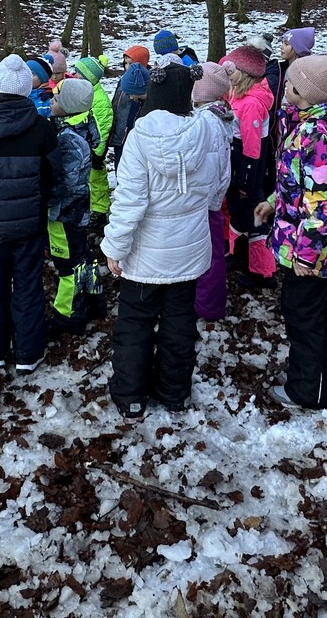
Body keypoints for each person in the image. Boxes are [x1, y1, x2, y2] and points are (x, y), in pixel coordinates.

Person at [103, 57, 231, 418]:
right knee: (179, 322)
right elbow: (217, 184)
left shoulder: (139, 137)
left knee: (135, 324)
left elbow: (130, 200)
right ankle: (174, 393)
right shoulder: (208, 130)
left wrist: (115, 246)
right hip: (189, 251)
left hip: (146, 256)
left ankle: (131, 396)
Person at [255, 55, 327, 411]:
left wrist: (306, 253)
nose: (284, 87)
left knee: (303, 315)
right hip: (302, 241)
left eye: (291, 83)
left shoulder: (316, 137)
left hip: (310, 249)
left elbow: (323, 202)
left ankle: (308, 390)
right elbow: (298, 184)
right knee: (315, 311)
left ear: (304, 91)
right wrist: (272, 202)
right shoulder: (302, 126)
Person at [0, 54, 63, 373]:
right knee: (27, 284)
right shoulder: (41, 128)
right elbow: (54, 172)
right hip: (29, 222)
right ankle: (27, 352)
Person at [46, 77, 103, 337]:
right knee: (83, 255)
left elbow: (64, 182)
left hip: (64, 212)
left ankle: (68, 314)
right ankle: (94, 297)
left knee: (67, 263)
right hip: (78, 209)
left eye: (56, 99)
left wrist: (46, 197)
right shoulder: (82, 126)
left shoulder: (69, 139)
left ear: (68, 106)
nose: (51, 101)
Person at [221, 44, 277, 289]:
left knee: (253, 213)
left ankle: (263, 270)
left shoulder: (252, 103)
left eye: (231, 70)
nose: (227, 74)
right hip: (238, 160)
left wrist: (246, 177)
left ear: (245, 74)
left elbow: (252, 147)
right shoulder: (239, 93)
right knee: (238, 210)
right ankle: (239, 254)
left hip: (247, 164)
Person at [190, 63, 238, 321]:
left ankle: (208, 306)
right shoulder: (217, 114)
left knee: (208, 254)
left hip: (206, 201)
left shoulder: (207, 121)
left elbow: (209, 164)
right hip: (210, 198)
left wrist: (203, 199)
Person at [69, 56, 116, 234]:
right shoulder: (83, 93)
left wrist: (98, 152)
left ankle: (100, 210)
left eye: (78, 73)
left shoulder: (99, 99)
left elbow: (103, 127)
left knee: (97, 181)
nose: (74, 75)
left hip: (93, 150)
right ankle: (88, 207)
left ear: (88, 77)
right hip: (81, 147)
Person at [109, 47, 150, 171]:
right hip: (119, 130)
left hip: (132, 133)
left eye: (131, 63)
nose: (127, 67)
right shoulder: (124, 80)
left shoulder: (143, 84)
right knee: (119, 165)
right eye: (125, 63)